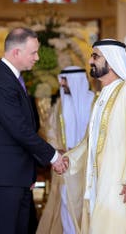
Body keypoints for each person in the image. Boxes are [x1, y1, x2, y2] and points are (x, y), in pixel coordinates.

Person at [61, 39, 126, 233]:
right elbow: (91, 140)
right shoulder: (103, 95)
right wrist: (69, 159)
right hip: (101, 178)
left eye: (96, 56)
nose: (90, 61)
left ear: (111, 60)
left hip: (121, 182)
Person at [0, 27, 68, 234]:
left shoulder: (12, 78)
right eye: (33, 53)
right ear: (16, 52)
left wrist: (28, 173)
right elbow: (18, 129)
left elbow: (25, 128)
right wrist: (53, 156)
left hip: (14, 176)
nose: (37, 58)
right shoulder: (2, 81)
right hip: (4, 177)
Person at [37, 66, 95, 234]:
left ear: (76, 80)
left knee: (88, 204)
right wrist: (58, 150)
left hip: (88, 165)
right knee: (65, 203)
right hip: (65, 164)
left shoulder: (94, 102)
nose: (61, 83)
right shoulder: (60, 105)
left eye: (65, 80)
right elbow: (51, 130)